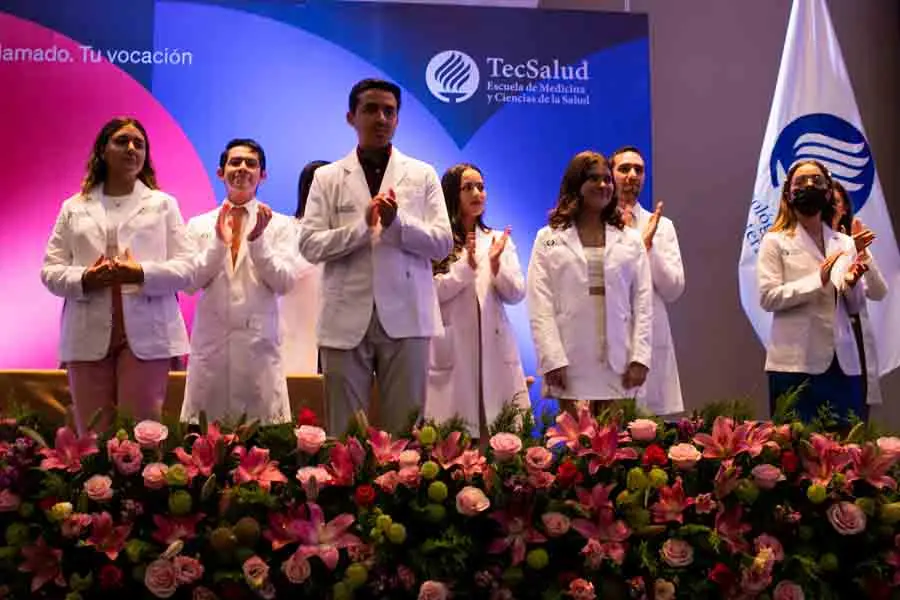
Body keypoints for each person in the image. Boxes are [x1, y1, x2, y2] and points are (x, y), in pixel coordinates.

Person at [298, 78, 453, 435]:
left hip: (408, 315)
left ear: (397, 120)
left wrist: (396, 223)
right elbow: (309, 245)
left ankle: (401, 491)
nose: (381, 118)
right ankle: (347, 492)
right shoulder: (327, 176)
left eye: (389, 111)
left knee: (406, 433)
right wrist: (362, 227)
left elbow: (443, 243)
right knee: (344, 435)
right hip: (344, 315)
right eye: (371, 109)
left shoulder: (422, 173)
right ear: (351, 116)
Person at [40, 117, 193, 433]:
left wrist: (140, 272)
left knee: (141, 436)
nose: (132, 148)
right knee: (92, 435)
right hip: (86, 331)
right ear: (102, 151)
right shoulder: (74, 206)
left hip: (148, 334)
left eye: (139, 143)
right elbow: (50, 270)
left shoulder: (163, 205)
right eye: (122, 141)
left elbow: (188, 267)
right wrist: (85, 279)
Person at [181, 139, 299, 425]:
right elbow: (189, 283)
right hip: (212, 348)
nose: (243, 168)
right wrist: (219, 244)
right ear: (220, 172)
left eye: (251, 163)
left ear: (263, 175)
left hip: (258, 349)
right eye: (235, 162)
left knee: (261, 444)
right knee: (207, 447)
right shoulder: (199, 224)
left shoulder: (281, 225)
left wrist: (258, 242)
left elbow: (284, 282)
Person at [527, 151, 653, 415]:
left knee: (614, 449)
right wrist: (551, 359)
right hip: (569, 362)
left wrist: (641, 358)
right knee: (576, 449)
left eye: (607, 179)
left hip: (619, 363)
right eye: (593, 179)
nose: (604, 185)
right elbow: (540, 306)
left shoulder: (630, 239)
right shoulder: (548, 238)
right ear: (576, 185)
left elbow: (643, 303)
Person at [757, 160, 871, 423]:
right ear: (788, 192)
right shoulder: (774, 241)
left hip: (842, 363)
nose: (809, 186)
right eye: (801, 182)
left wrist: (852, 286)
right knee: (797, 453)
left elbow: (854, 307)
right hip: (795, 364)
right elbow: (768, 297)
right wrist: (817, 279)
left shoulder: (843, 242)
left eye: (817, 181)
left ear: (829, 192)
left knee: (846, 451)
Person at [425, 163, 529, 439]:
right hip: (453, 351)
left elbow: (517, 293)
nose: (477, 193)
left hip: (495, 350)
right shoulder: (438, 241)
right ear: (451, 193)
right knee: (455, 438)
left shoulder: (496, 239)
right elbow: (430, 295)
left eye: (481, 187)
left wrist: (496, 266)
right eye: (468, 187)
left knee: (497, 433)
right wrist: (465, 268)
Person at [610, 146, 685, 416]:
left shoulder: (662, 226)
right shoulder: (596, 224)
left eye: (638, 170)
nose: (632, 175)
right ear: (610, 174)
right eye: (624, 169)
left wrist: (648, 247)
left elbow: (674, 288)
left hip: (651, 338)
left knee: (650, 435)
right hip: (609, 339)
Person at [823, 180, 886, 407]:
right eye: (827, 201)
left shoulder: (852, 243)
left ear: (844, 208)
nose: (831, 206)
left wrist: (863, 254)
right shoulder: (814, 243)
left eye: (836, 201)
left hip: (854, 331)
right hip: (825, 335)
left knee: (856, 411)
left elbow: (879, 292)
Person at [280, 160, 330, 374]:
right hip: (297, 330)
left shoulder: (351, 233)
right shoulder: (287, 228)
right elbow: (287, 272)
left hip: (339, 332)